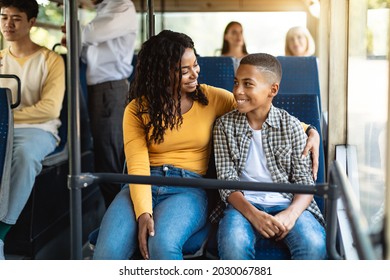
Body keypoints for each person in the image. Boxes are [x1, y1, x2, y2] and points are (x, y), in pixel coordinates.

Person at [92, 30, 321, 260]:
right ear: (163, 73)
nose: (195, 74)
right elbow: (137, 165)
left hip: (188, 187)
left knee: (161, 245)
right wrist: (143, 213)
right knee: (107, 254)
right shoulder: (136, 109)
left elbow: (259, 109)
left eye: (196, 65)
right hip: (142, 183)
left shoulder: (211, 99)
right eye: (185, 70)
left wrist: (310, 130)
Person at [213, 53, 326, 260]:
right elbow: (227, 183)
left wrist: (290, 215)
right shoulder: (224, 126)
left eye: (248, 84)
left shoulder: (291, 126)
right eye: (236, 83)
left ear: (272, 90)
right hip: (243, 205)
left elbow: (305, 183)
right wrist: (254, 216)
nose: (237, 91)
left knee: (314, 245)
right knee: (234, 246)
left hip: (287, 202)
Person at [0, 0, 65, 260]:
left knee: (25, 156)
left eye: (16, 18)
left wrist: (7, 116)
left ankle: (1, 234)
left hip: (39, 130)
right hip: (3, 127)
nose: (8, 23)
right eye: (4, 17)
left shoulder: (51, 61)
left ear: (31, 22)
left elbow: (48, 109)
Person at [81, 0, 138, 209]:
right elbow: (91, 50)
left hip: (110, 90)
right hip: (101, 90)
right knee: (105, 157)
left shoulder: (121, 5)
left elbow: (91, 35)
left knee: (110, 160)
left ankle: (117, 222)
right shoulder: (104, 8)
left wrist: (76, 30)